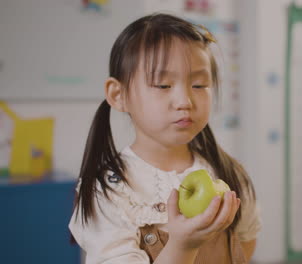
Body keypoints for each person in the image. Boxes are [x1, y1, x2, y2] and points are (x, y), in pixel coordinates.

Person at [69, 13, 261, 264]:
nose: (184, 101)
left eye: (199, 85)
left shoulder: (227, 171)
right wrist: (183, 246)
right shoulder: (110, 190)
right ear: (119, 95)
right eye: (163, 85)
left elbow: (246, 240)